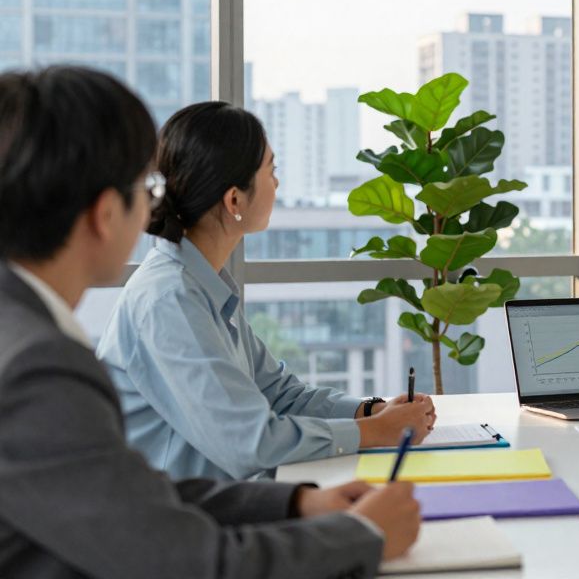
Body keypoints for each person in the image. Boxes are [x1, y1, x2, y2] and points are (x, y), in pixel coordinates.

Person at [0, 66, 420, 577]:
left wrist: (297, 505)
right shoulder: (47, 363)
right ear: (106, 212)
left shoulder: (32, 333)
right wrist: (362, 536)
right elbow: (191, 557)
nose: (155, 200)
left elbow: (133, 495)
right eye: (144, 183)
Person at [97, 101, 435, 481]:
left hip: (219, 502)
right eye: (271, 171)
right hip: (176, 520)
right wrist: (376, 431)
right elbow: (251, 443)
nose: (277, 184)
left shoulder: (202, 285)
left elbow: (281, 394)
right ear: (234, 200)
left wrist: (371, 411)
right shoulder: (169, 298)